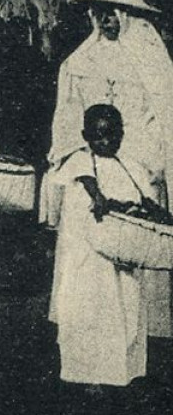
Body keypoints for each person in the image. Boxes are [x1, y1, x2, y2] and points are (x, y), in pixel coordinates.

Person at [46, 0, 173, 339]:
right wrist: (76, 163)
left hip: (137, 167)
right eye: (101, 9)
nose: (107, 18)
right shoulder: (79, 63)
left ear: (132, 15)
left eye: (117, 10)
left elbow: (164, 122)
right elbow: (67, 121)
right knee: (88, 261)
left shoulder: (155, 67)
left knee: (137, 253)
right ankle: (87, 332)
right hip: (91, 169)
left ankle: (142, 339)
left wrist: (148, 163)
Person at [48, 104, 160, 389]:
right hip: (88, 259)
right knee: (88, 313)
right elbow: (88, 184)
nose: (106, 142)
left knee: (124, 312)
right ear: (86, 136)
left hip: (122, 256)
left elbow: (145, 202)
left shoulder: (132, 167)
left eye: (113, 135)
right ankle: (86, 376)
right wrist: (99, 196)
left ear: (122, 134)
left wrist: (146, 209)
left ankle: (120, 373)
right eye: (99, 136)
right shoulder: (79, 163)